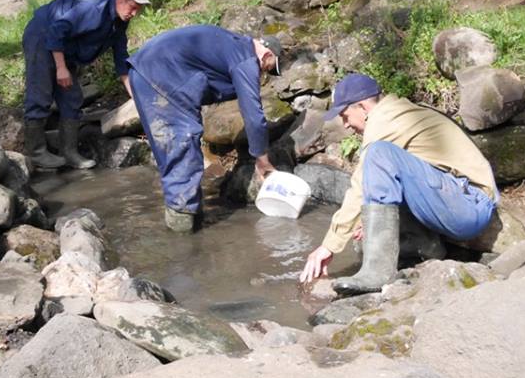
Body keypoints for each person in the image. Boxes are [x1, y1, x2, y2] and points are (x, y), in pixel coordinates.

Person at [298, 73, 498, 295]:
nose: (345, 124)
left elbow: (360, 185)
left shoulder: (385, 120)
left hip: (469, 206)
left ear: (363, 107)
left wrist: (329, 246)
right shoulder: (397, 112)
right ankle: (427, 249)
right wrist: (368, 220)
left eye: (345, 115)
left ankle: (377, 274)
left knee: (378, 153)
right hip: (458, 201)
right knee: (369, 220)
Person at [127, 25, 283, 233]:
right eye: (269, 67)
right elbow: (254, 115)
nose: (265, 73)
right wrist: (262, 159)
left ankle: (190, 220)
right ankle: (182, 241)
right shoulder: (246, 59)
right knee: (182, 148)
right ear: (266, 54)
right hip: (162, 75)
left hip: (148, 71)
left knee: (174, 152)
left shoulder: (233, 45)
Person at [22, 0, 150, 170]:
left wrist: (134, 93)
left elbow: (121, 58)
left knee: (72, 97)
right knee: (41, 94)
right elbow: (56, 30)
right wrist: (61, 68)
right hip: (42, 36)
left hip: (66, 47)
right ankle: (36, 154)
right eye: (133, 7)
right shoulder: (92, 9)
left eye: (138, 9)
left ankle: (69, 152)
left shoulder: (120, 21)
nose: (135, 13)